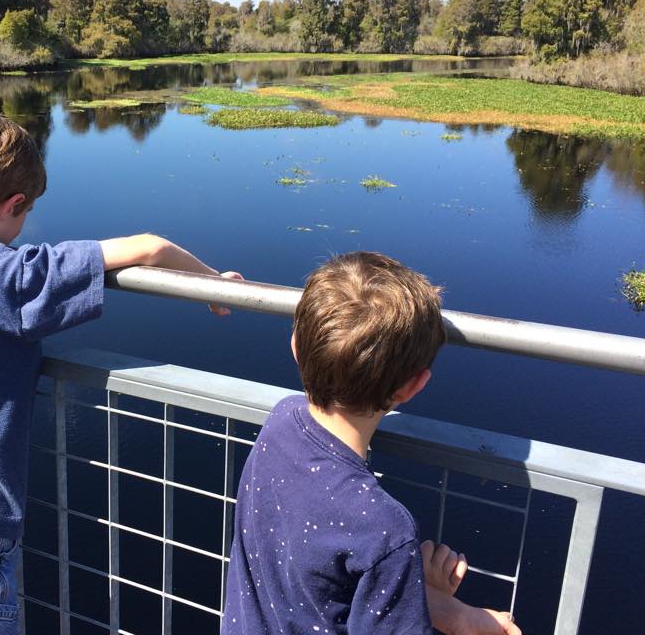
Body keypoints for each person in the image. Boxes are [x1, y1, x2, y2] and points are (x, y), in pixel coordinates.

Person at [0, 107, 240, 634]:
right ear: (13, 204)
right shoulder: (2, 279)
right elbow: (149, 247)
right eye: (24, 213)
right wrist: (216, 287)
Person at [221, 252, 520, 635]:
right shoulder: (386, 531)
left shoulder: (280, 422)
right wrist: (447, 612)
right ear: (413, 386)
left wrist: (424, 598)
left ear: (296, 346)